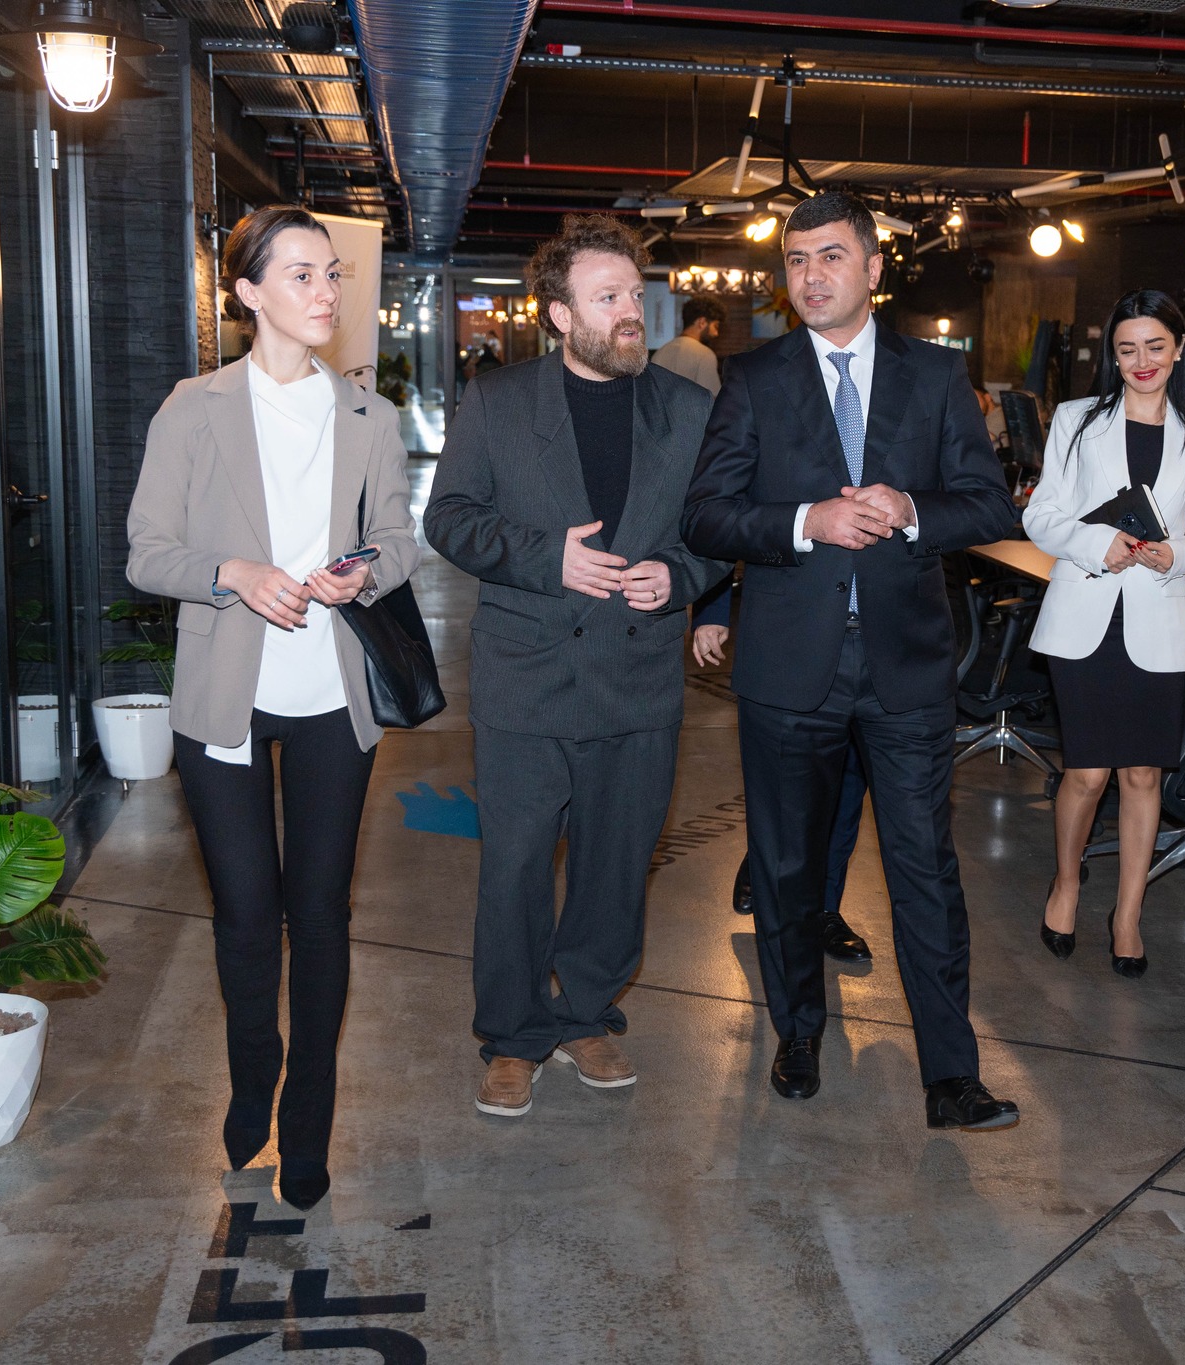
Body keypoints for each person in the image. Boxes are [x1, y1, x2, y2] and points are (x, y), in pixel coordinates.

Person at [682, 190, 1020, 1131]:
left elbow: (990, 505)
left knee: (925, 869)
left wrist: (911, 510)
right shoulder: (754, 378)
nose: (811, 275)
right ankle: (797, 1032)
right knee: (787, 867)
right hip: (791, 669)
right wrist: (807, 521)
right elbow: (705, 516)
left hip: (907, 666)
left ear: (874, 268)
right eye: (797, 260)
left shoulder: (936, 374)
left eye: (831, 256)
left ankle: (951, 1075)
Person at [126, 204, 420, 1211]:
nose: (325, 292)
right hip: (226, 697)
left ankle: (308, 1118)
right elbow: (147, 552)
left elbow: (400, 539)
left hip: (335, 696)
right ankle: (253, 1075)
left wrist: (363, 571)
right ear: (247, 291)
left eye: (332, 273)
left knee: (321, 915)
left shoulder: (369, 417)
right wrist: (233, 573)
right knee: (246, 915)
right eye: (300, 274)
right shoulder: (192, 409)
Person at [426, 214, 725, 1119]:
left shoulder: (688, 410)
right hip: (527, 676)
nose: (631, 311)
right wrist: (543, 557)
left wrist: (679, 577)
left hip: (638, 681)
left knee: (616, 863)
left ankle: (587, 1010)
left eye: (634, 294)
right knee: (515, 865)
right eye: (608, 298)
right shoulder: (498, 402)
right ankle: (514, 1033)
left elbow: (718, 532)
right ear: (559, 314)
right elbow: (449, 518)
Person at [1022, 290, 1185, 979]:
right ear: (1112, 356)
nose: (1142, 361)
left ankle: (1128, 914)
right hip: (1082, 613)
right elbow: (1040, 515)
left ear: (1178, 348)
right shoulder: (1076, 419)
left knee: (1143, 773)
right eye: (1127, 348)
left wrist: (1178, 552)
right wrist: (1096, 543)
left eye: (1155, 346)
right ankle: (1066, 883)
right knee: (1087, 772)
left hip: (1156, 616)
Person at [692, 578, 876, 961]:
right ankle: (768, 855)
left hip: (883, 633)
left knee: (849, 781)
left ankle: (825, 910)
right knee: (790, 780)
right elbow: (733, 537)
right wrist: (713, 610)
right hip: (793, 625)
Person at [651, 295, 726, 396]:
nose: (716, 333)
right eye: (715, 326)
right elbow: (712, 398)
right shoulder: (705, 354)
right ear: (702, 322)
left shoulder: (660, 353)